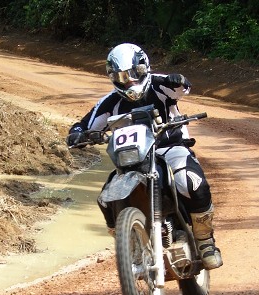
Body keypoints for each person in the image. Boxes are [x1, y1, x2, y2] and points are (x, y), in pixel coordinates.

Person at [66, 43, 222, 270]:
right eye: (121, 76)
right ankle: (130, 244)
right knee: (104, 199)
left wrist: (178, 80)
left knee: (189, 181)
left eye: (133, 74)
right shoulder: (110, 102)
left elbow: (182, 87)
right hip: (131, 160)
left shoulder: (160, 84)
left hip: (169, 148)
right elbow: (85, 124)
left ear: (143, 68)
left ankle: (205, 241)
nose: (128, 81)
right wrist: (77, 135)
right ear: (112, 77)